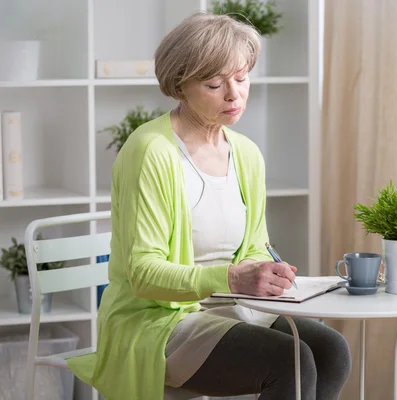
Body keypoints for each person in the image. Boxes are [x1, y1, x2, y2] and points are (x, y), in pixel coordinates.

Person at [67, 11, 351, 400]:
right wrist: (233, 278)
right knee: (289, 360)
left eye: (242, 78)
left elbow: (254, 245)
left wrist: (265, 272)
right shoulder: (151, 152)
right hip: (157, 323)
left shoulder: (246, 153)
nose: (234, 95)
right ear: (179, 87)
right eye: (214, 84)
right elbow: (143, 274)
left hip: (231, 310)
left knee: (332, 350)